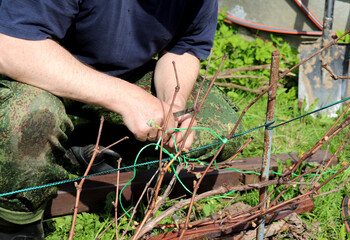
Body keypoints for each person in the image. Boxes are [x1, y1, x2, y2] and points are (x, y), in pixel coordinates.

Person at [0, 0, 242, 239]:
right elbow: (10, 47)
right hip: (31, 72)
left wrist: (172, 108)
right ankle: (15, 224)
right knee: (30, 118)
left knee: (220, 127)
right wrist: (126, 99)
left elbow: (183, 48)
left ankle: (89, 145)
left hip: (123, 77)